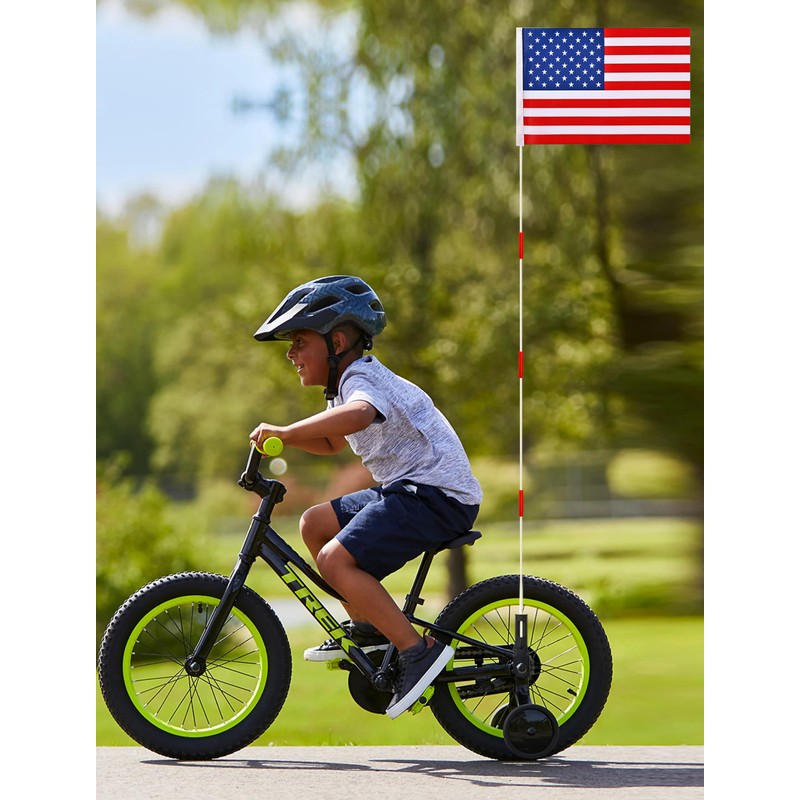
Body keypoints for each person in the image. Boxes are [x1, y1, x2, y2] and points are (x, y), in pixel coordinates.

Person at [249, 275, 482, 718]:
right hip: (408, 490)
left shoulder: (361, 378)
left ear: (336, 342)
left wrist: (286, 430)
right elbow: (332, 441)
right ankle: (369, 632)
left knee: (335, 561)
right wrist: (285, 440)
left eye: (299, 342)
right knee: (314, 524)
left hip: (437, 495)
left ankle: (418, 651)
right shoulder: (343, 387)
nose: (290, 354)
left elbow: (359, 415)